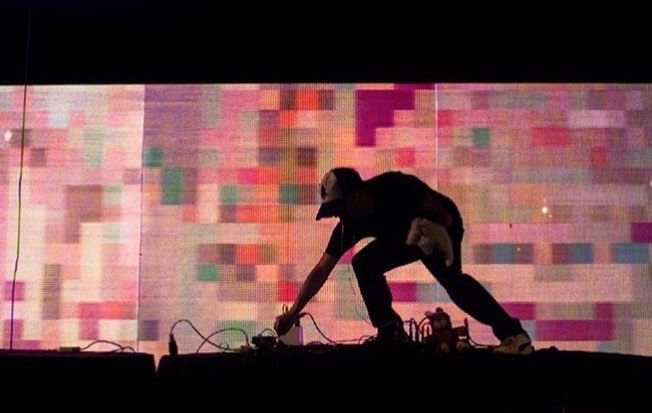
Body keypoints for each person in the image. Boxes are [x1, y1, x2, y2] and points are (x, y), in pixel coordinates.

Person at [274, 168, 533, 354]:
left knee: (454, 283)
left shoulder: (395, 187)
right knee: (364, 263)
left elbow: (443, 216)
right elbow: (321, 269)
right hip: (404, 235)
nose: (339, 218)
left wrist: (427, 241)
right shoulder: (349, 226)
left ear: (356, 195)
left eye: (340, 209)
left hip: (439, 224)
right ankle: (390, 330)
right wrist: (293, 313)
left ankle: (514, 335)